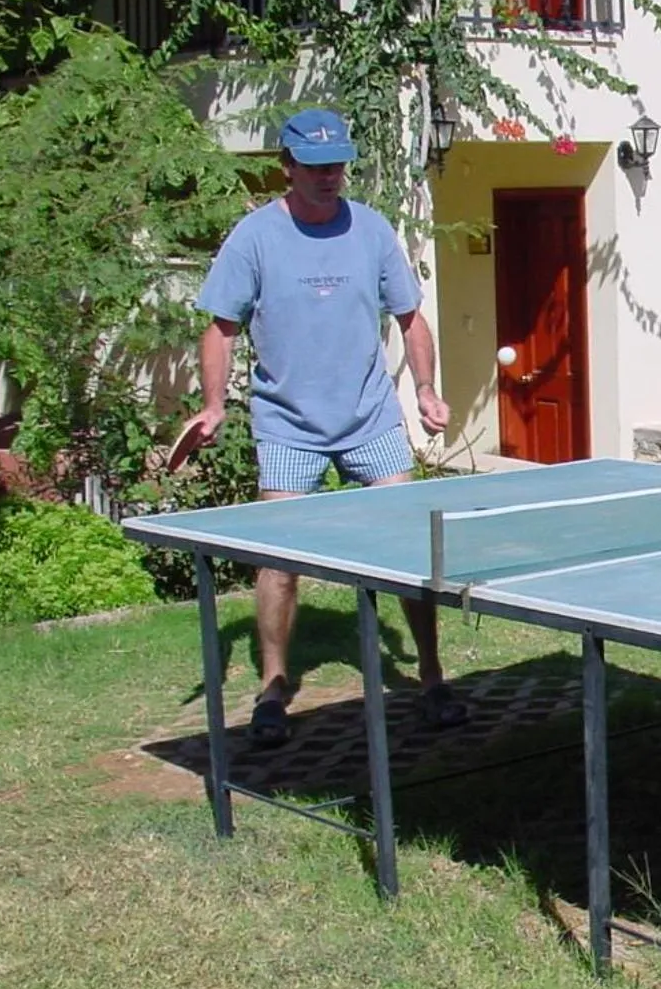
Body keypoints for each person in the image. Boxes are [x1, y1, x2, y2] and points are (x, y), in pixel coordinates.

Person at [179, 108, 468, 746]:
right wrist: (213, 403)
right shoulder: (255, 237)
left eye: (337, 164)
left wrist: (424, 389)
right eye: (315, 167)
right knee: (278, 561)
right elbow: (220, 327)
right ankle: (274, 687)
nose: (329, 176)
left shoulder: (370, 230)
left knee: (414, 547)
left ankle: (430, 675)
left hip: (370, 419)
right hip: (287, 425)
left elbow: (411, 317)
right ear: (287, 168)